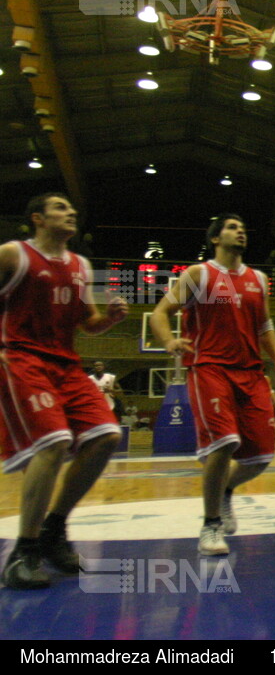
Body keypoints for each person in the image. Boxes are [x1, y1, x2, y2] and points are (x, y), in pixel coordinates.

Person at [0, 193, 129, 589]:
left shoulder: (80, 265)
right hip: (21, 359)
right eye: (60, 208)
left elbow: (85, 323)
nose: (71, 212)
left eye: (73, 209)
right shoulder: (12, 255)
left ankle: (54, 529)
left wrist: (107, 320)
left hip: (66, 364)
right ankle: (23, 552)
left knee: (107, 436)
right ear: (37, 218)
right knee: (53, 443)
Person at [150, 214, 275, 556]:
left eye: (243, 227)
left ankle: (225, 491)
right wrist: (170, 342)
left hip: (251, 372)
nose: (240, 231)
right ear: (215, 239)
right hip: (209, 368)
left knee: (261, 456)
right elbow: (159, 313)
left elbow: (264, 325)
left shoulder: (259, 279)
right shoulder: (199, 274)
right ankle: (210, 524)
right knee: (223, 444)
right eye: (232, 227)